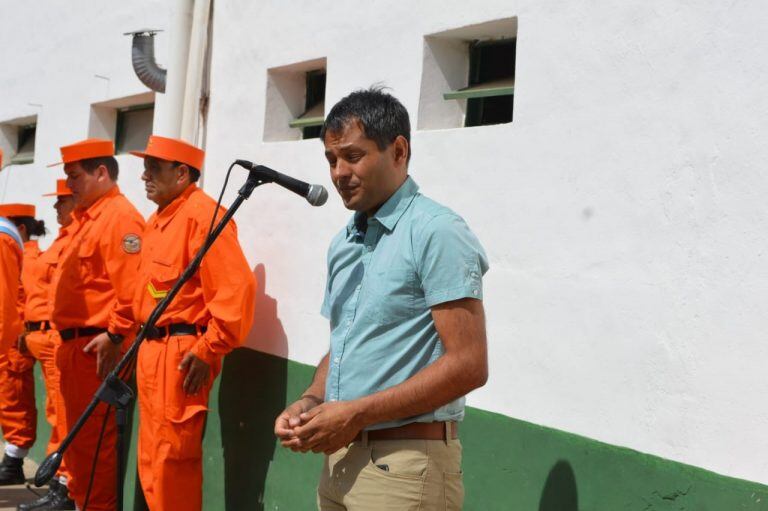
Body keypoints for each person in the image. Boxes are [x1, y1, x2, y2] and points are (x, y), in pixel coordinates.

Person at [274, 88, 489, 510]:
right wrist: (311, 400)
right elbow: (345, 345)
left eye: (353, 156)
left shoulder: (436, 231)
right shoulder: (344, 243)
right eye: (331, 159)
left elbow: (469, 365)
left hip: (406, 467)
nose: (338, 172)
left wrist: (355, 413)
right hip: (340, 460)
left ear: (399, 151)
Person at [130, 135, 255, 511]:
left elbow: (237, 288)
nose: (144, 176)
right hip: (151, 350)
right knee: (152, 459)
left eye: (153, 168)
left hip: (181, 355)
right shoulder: (159, 220)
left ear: (182, 172)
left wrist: (208, 348)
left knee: (172, 461)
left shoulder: (203, 216)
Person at [49, 139, 145, 511]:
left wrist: (116, 333)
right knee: (78, 452)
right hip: (77, 348)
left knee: (94, 454)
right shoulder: (89, 219)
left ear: (101, 173)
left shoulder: (119, 217)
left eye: (75, 176)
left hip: (98, 349)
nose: (69, 185)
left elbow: (133, 288)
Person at [17, 180, 77, 510]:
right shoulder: (62, 241)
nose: (56, 208)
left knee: (65, 415)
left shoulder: (80, 238)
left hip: (67, 339)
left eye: (62, 201)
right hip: (54, 338)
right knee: (57, 413)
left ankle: (64, 485)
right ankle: (60, 482)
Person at [0, 204, 38, 486]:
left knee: (15, 396)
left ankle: (14, 459)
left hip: (16, 337)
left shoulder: (5, 240)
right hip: (16, 334)